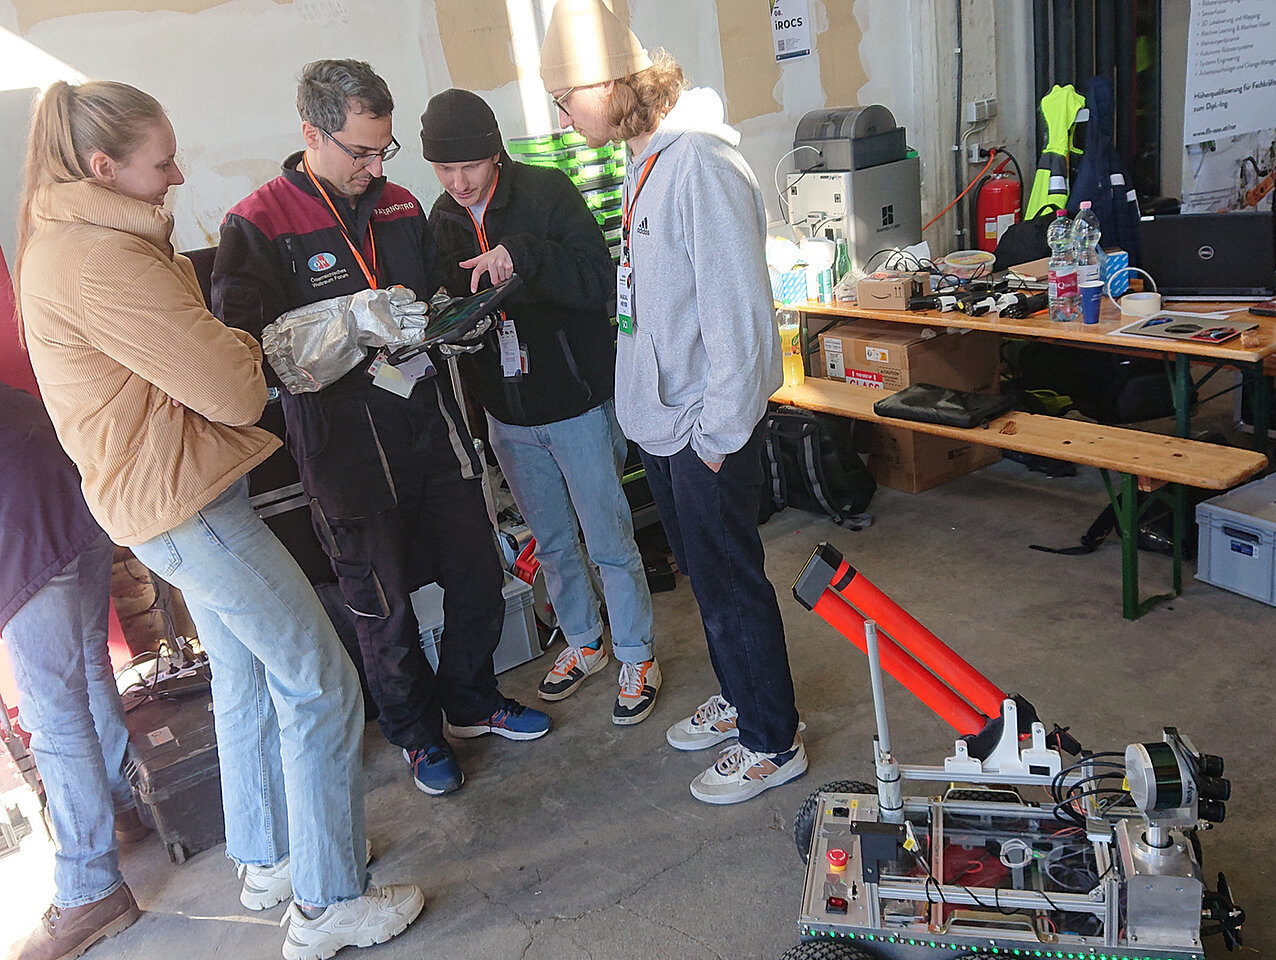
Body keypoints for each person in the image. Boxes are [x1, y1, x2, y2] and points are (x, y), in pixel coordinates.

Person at [14, 80, 423, 959]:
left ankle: (271, 857)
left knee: (241, 674)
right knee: (320, 681)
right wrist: (269, 343)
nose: (176, 176)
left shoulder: (75, 240)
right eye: (162, 163)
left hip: (167, 495)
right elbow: (234, 391)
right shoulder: (102, 261)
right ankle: (328, 905)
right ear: (103, 167)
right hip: (187, 504)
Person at [211, 60, 550, 798]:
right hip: (345, 453)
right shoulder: (258, 224)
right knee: (383, 609)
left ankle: (471, 701)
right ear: (312, 133)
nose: (375, 167)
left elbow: (430, 295)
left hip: (428, 424)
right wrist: (346, 325)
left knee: (477, 574)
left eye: (384, 149)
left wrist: (454, 320)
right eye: (361, 151)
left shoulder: (399, 206)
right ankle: (417, 735)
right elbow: (245, 354)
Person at [539, 1, 806, 804]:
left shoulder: (700, 165)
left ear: (611, 85)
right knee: (707, 584)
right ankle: (742, 698)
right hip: (665, 424)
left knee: (732, 587)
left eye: (566, 99)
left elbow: (741, 316)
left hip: (702, 429)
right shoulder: (642, 159)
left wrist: (717, 435)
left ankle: (772, 740)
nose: (561, 118)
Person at [419, 89, 660, 725]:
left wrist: (523, 256)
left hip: (576, 402)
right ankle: (584, 642)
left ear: (495, 153)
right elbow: (446, 298)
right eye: (444, 169)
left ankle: (637, 653)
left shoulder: (547, 191)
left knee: (608, 537)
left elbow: (598, 279)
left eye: (470, 166)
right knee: (551, 542)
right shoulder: (442, 217)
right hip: (505, 412)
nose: (459, 183)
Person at [1, 381, 146, 960]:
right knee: (87, 658)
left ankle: (90, 886)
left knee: (51, 710)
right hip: (70, 480)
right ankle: (123, 803)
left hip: (19, 516)